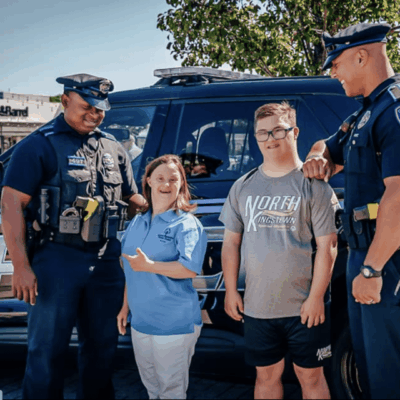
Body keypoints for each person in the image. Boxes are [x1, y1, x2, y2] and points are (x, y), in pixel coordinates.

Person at [1, 73, 145, 399]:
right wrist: (22, 266)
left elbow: (133, 199)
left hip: (106, 260)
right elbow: (11, 204)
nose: (94, 115)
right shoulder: (39, 145)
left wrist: (170, 204)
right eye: (87, 107)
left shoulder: (113, 148)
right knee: (46, 351)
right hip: (56, 259)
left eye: (100, 110)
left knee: (102, 349)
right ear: (65, 101)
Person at [303, 22, 400, 399]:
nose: (333, 73)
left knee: (389, 370)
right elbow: (326, 146)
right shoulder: (365, 113)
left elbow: (398, 196)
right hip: (365, 254)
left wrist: (372, 269)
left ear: (362, 56)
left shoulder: (392, 112)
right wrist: (317, 158)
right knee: (372, 367)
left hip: (386, 260)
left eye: (336, 63)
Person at [220, 102, 339, 400]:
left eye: (278, 130)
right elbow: (231, 243)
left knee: (310, 377)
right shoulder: (242, 187)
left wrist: (315, 299)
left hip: (305, 308)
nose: (270, 138)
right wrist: (231, 290)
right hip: (258, 307)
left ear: (294, 132)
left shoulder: (315, 186)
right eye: (262, 133)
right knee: (266, 376)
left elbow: (329, 247)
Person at [117, 154, 207, 400]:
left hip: (174, 323)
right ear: (148, 181)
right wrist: (125, 307)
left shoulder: (186, 224)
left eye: (173, 179)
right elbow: (131, 268)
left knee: (171, 391)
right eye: (160, 178)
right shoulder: (137, 222)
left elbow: (189, 269)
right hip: (141, 322)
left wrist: (150, 266)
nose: (166, 185)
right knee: (152, 389)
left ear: (181, 184)